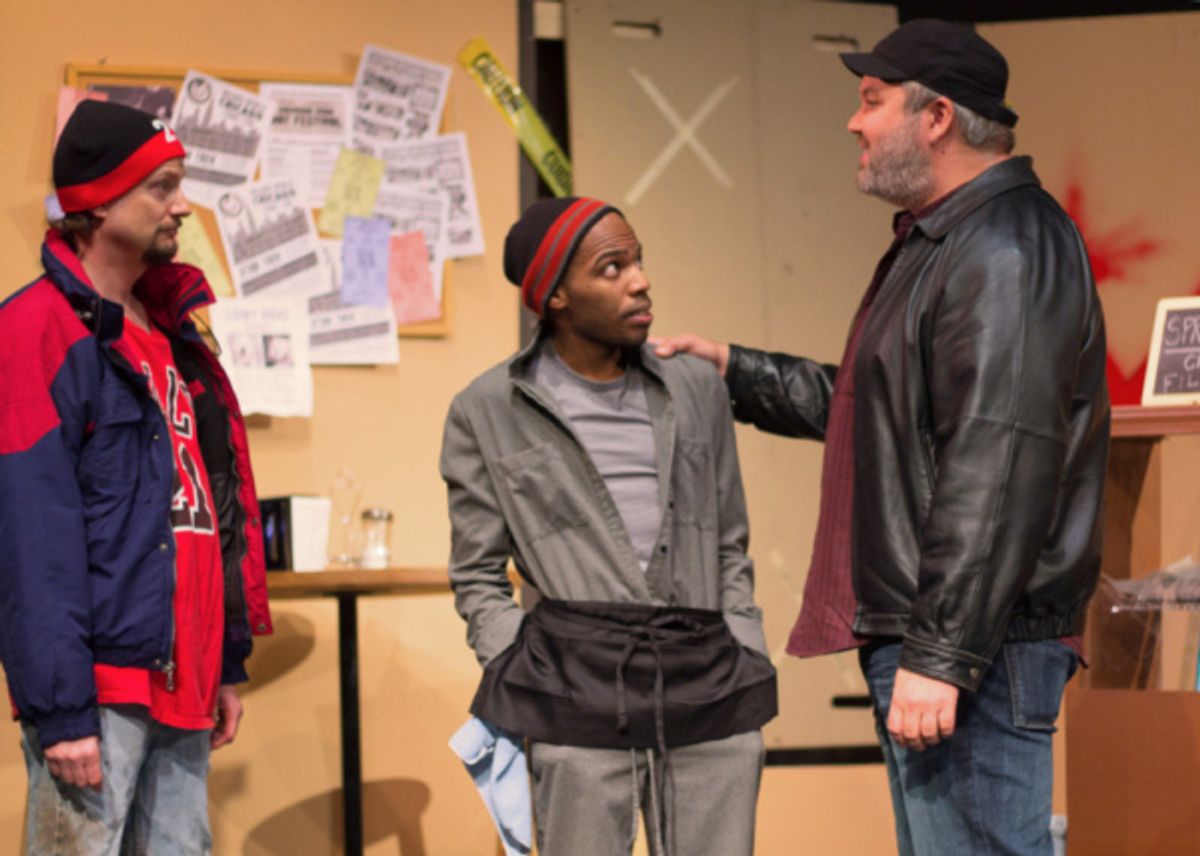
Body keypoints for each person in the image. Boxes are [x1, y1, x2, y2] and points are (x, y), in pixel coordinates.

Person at [654, 19, 1109, 856]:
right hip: (947, 632)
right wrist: (733, 370)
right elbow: (885, 409)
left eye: (871, 101)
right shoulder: (948, 239)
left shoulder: (1004, 246)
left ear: (936, 117)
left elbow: (998, 459)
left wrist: (941, 653)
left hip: (976, 642)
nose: (853, 123)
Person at [440, 197, 777, 856]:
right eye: (612, 267)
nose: (640, 281)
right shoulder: (487, 409)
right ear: (556, 296)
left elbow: (728, 538)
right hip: (576, 691)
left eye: (638, 261)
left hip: (707, 679)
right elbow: (476, 572)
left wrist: (746, 640)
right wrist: (523, 666)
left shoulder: (696, 388)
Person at [0, 100, 272, 855]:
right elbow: (31, 535)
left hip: (185, 679)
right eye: (161, 187)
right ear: (97, 202)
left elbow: (207, 506)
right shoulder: (34, 330)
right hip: (102, 689)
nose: (181, 205)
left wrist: (223, 661)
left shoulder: (176, 334)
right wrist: (62, 710)